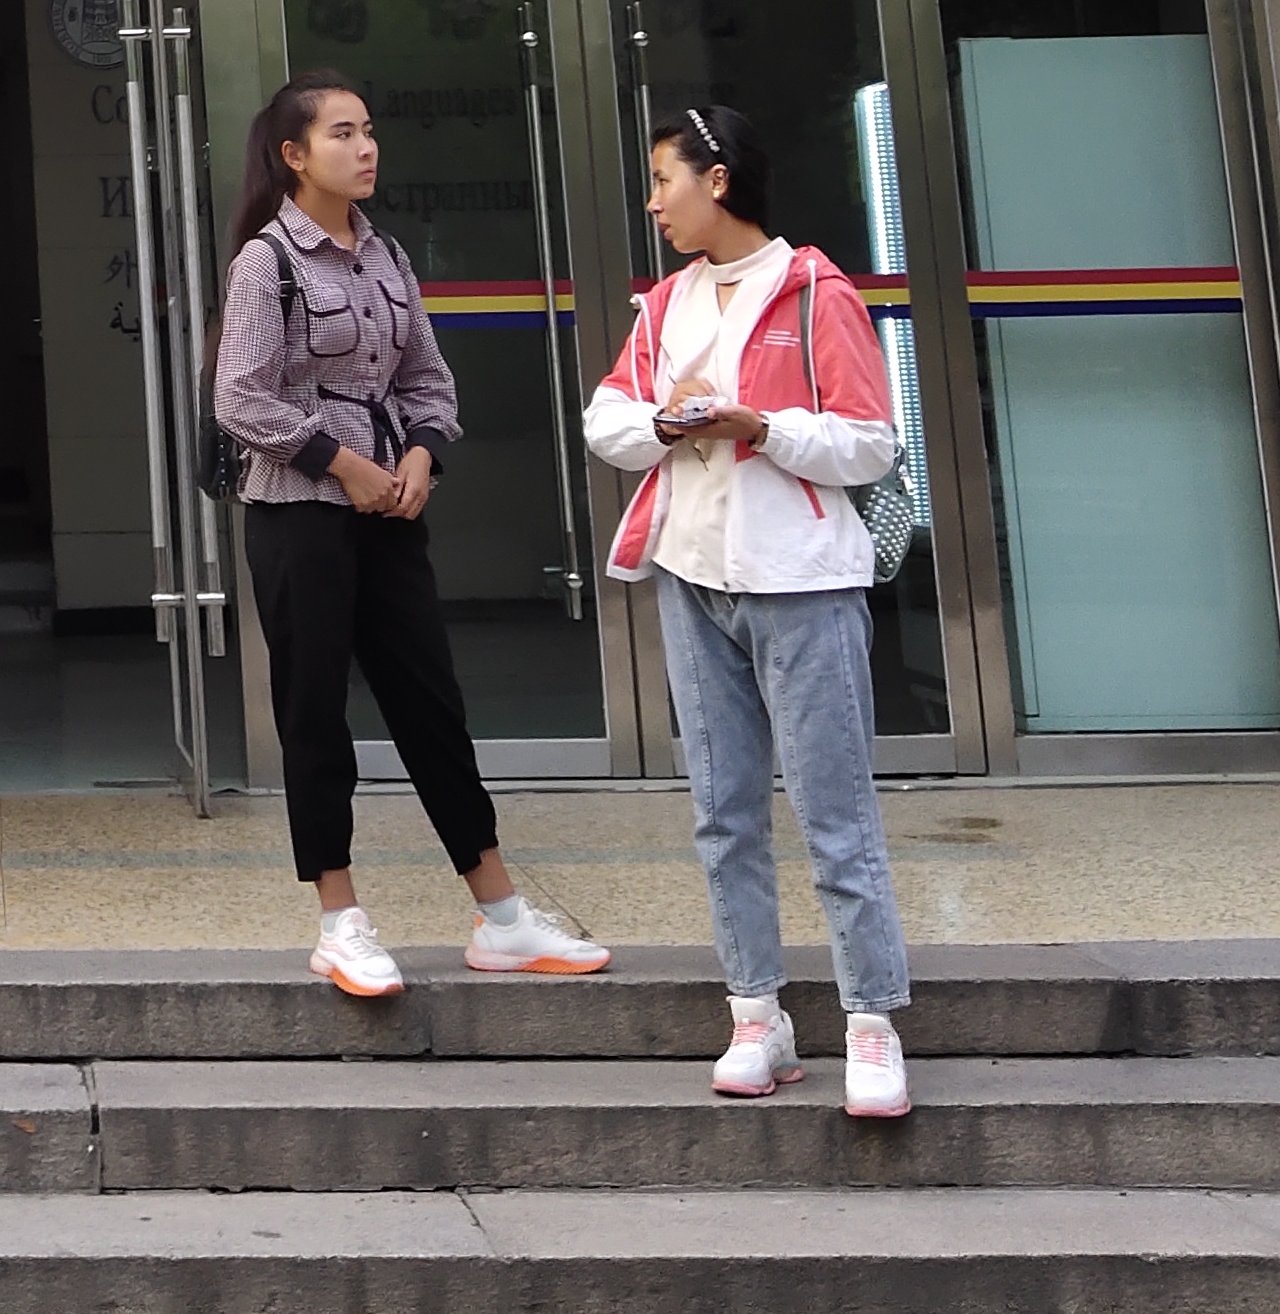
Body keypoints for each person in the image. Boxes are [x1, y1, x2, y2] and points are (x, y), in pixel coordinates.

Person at [212, 67, 609, 997]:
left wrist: (422, 456)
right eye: (343, 134)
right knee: (315, 713)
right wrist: (341, 464)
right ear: (293, 155)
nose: (366, 148)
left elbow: (427, 379)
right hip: (299, 515)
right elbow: (240, 398)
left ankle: (502, 917)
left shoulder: (386, 253)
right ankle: (339, 921)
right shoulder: (267, 262)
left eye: (369, 130)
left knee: (432, 706)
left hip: (390, 512)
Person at [580, 98, 920, 1121]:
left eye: (663, 181)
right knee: (723, 815)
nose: (652, 204)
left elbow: (869, 442)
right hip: (692, 578)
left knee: (835, 817)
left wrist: (758, 426)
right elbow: (606, 421)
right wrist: (667, 422)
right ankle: (755, 1015)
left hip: (802, 583)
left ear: (717, 180)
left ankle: (872, 1023)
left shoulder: (815, 292)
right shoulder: (665, 305)